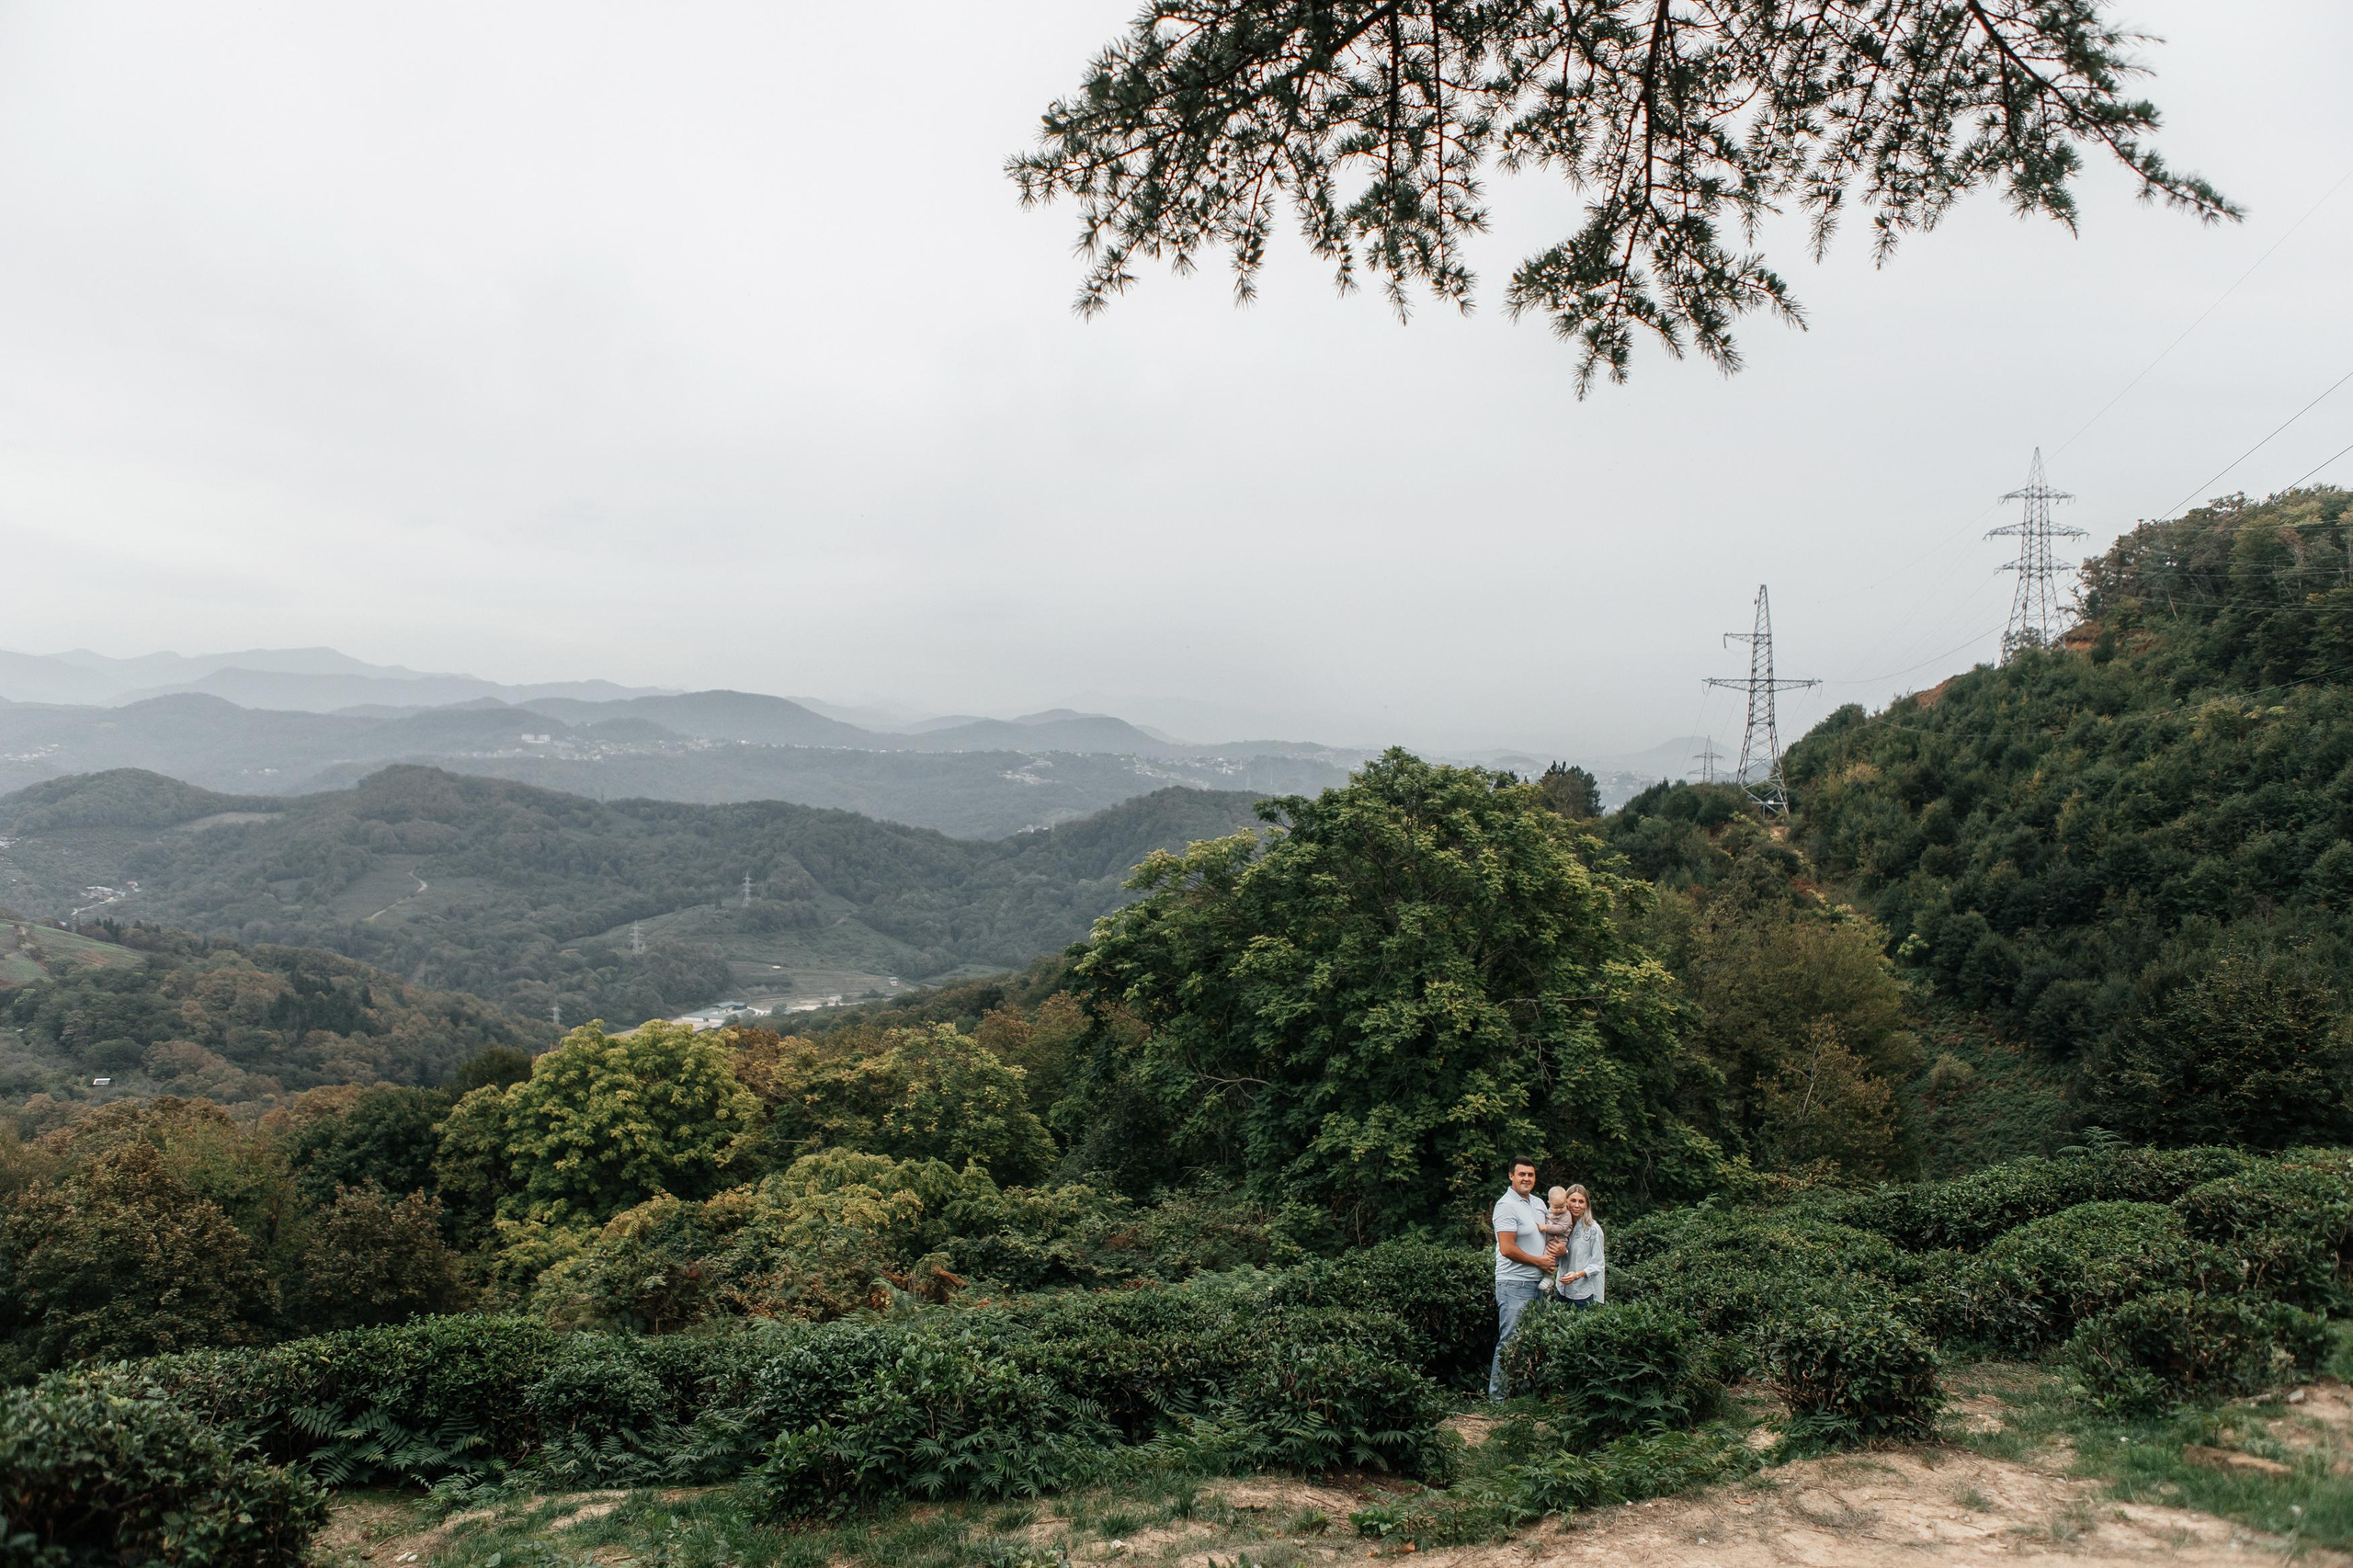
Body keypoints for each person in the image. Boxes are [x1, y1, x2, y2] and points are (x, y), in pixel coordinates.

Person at [1489, 1156, 1562, 1400]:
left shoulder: (1540, 1204)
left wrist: (1558, 1251)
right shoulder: (1506, 1205)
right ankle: (1497, 1401)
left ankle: (1526, 1399)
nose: (1527, 1179)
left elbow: (1550, 1235)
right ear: (1511, 1176)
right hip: (1514, 1283)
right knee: (1510, 1341)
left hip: (1538, 1283)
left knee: (1535, 1341)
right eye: (1522, 1174)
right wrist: (1539, 1261)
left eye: (1530, 1175)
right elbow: (1507, 1248)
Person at [1554, 1183, 1605, 1309]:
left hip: (1583, 1294)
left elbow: (1598, 1264)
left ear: (1586, 1205)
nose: (1577, 1205)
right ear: (1566, 1202)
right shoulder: (1559, 1227)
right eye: (1573, 1200)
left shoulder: (1593, 1229)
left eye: (1581, 1202)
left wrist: (1577, 1275)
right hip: (1561, 1290)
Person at [1536, 1186, 1575, 1297]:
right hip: (1550, 1238)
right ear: (1549, 1203)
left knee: (1550, 1256)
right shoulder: (1549, 1211)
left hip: (1560, 1239)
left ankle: (1548, 1278)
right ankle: (1547, 1282)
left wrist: (1545, 1227)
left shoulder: (1566, 1214)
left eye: (1562, 1206)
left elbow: (1561, 1228)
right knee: (1544, 1256)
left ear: (1566, 1202)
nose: (1559, 1210)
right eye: (1556, 1207)